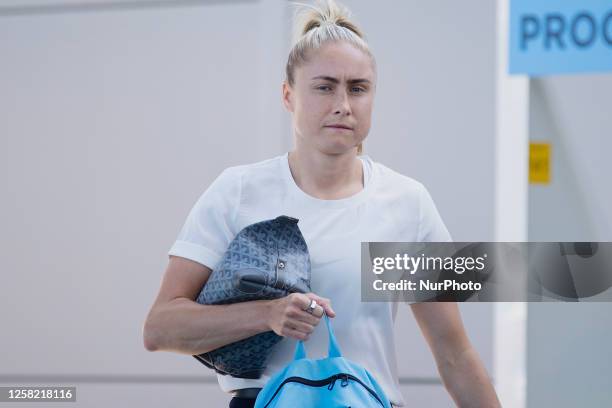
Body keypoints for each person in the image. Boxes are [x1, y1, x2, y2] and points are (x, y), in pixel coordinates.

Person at [143, 1, 501, 407]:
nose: (343, 104)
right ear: (287, 95)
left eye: (358, 88)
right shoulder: (239, 191)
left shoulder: (405, 203)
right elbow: (161, 328)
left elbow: (454, 355)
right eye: (324, 86)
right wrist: (269, 314)